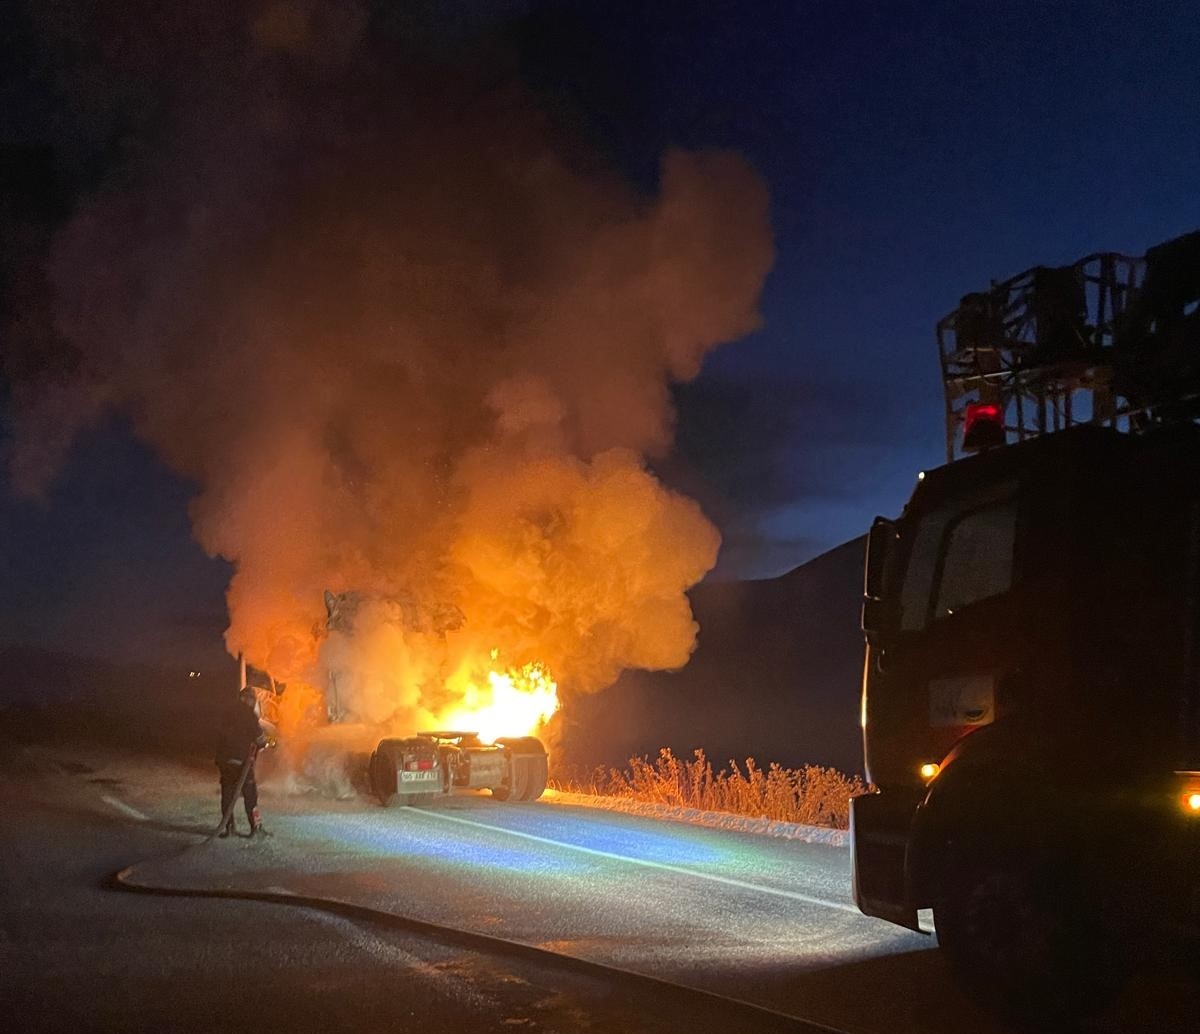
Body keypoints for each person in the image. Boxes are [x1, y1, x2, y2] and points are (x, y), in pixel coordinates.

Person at [215, 686, 270, 838]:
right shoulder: (248, 714)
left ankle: (229, 827)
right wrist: (264, 742)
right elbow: (260, 738)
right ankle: (256, 827)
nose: (253, 703)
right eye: (252, 700)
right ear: (248, 700)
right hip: (242, 762)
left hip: (224, 761)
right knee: (250, 795)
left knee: (227, 795)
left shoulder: (227, 712)